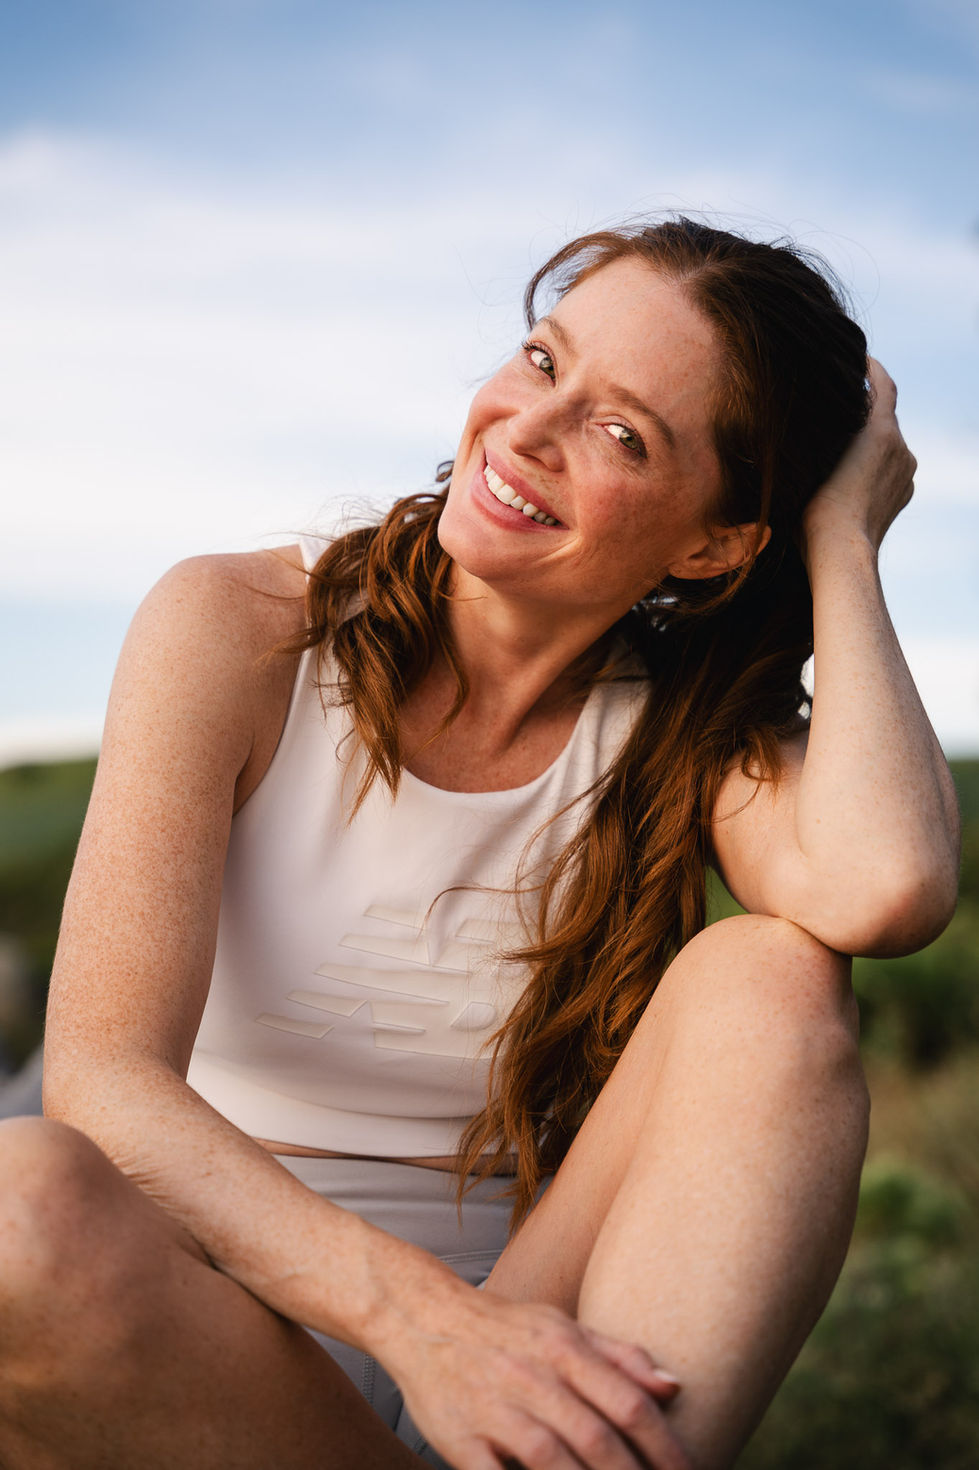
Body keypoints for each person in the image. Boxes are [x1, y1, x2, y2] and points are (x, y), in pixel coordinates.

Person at [0, 218, 959, 1470]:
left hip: (532, 1328)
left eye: (624, 435)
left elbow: (886, 887)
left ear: (712, 543)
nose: (526, 431)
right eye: (543, 360)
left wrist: (842, 541)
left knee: (770, 978)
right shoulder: (238, 628)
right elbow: (101, 1087)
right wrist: (423, 1327)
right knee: (18, 1209)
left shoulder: (680, 728)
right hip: (203, 1312)